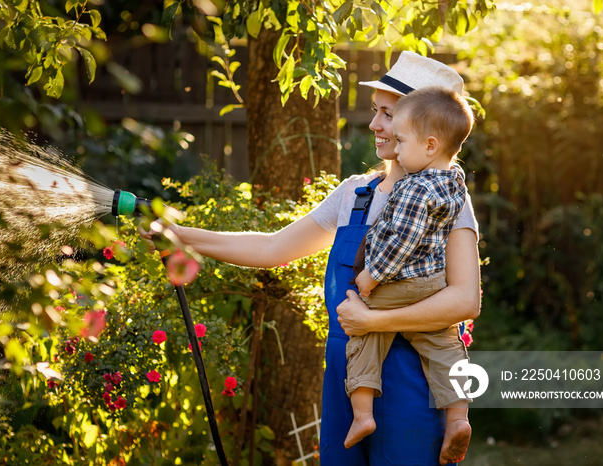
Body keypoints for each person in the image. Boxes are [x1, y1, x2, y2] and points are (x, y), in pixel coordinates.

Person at [139, 51, 481, 466]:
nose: (374, 125)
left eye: (388, 115)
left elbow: (465, 301)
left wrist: (375, 321)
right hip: (346, 375)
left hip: (414, 376)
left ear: (427, 129)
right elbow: (272, 248)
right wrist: (177, 235)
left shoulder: (446, 201)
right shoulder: (356, 194)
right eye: (376, 112)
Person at [344, 86, 474, 464]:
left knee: (363, 331)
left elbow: (401, 242)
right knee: (446, 346)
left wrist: (370, 277)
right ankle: (459, 418)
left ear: (430, 145)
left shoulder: (415, 188)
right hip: (432, 285)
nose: (396, 149)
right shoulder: (454, 181)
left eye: (401, 140)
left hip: (399, 283)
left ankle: (363, 415)